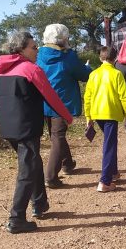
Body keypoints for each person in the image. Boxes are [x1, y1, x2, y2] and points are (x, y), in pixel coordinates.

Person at [0, 31, 73, 234]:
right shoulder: (31, 69)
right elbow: (50, 96)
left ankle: (40, 203)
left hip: (9, 129)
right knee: (26, 170)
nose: (37, 50)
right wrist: (66, 116)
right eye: (34, 47)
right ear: (21, 49)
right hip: (27, 128)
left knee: (33, 163)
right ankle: (16, 218)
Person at [37, 24, 92, 188]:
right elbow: (83, 75)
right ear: (62, 39)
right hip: (61, 103)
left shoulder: (38, 54)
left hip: (42, 102)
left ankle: (67, 163)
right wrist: (88, 68)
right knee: (57, 137)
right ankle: (51, 177)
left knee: (57, 135)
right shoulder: (68, 56)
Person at [83, 45, 126, 193]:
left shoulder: (93, 74)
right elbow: (125, 97)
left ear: (100, 58)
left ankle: (113, 172)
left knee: (110, 141)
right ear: (115, 59)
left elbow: (88, 97)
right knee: (109, 145)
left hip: (97, 113)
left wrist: (88, 116)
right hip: (111, 114)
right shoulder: (117, 74)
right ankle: (104, 181)